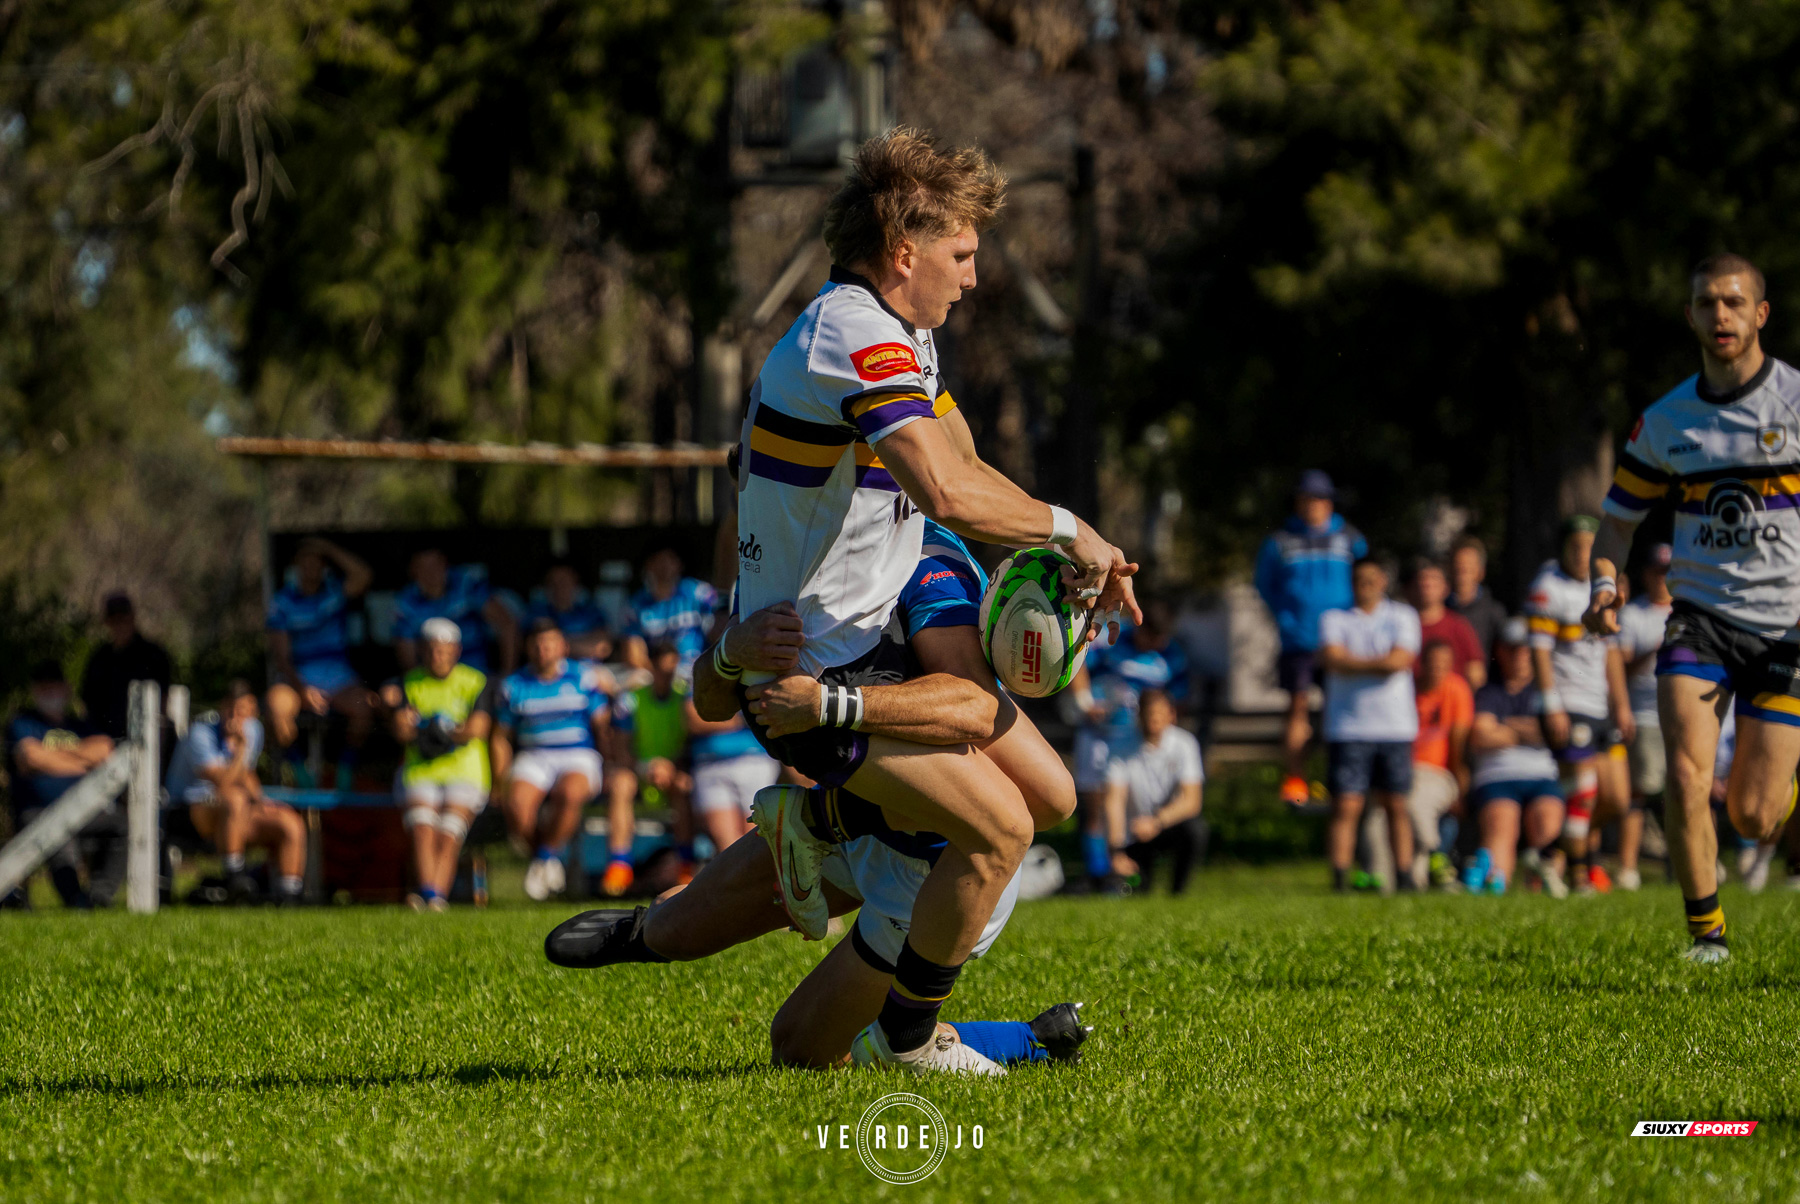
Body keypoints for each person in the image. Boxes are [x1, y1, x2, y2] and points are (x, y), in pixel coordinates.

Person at [725, 128, 1132, 1075]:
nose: (975, 277)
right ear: (905, 252)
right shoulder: (850, 332)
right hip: (812, 664)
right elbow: (943, 494)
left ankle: (828, 825)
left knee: (1053, 793)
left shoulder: (903, 332)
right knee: (1000, 829)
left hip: (870, 636)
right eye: (962, 254)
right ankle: (908, 1041)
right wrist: (1074, 532)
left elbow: (967, 465)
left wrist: (1074, 554)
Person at [546, 516, 1084, 1074]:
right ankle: (650, 927)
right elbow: (708, 700)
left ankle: (1017, 1039)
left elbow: (979, 715)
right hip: (863, 820)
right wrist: (731, 651)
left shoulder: (926, 560)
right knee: (672, 929)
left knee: (801, 1050)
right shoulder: (781, 560)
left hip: (932, 867)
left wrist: (827, 704)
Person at [1588, 253, 1800, 961]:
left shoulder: (1796, 405)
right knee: (1685, 772)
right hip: (1701, 619)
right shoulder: (1667, 421)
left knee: (1753, 812)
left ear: (1760, 314)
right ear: (1691, 316)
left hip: (1787, 629)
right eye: (1708, 303)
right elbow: (1617, 522)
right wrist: (1603, 584)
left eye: (1735, 303)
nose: (1722, 316)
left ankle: (1789, 822)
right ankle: (1706, 937)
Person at [1527, 515, 1632, 893]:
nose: (1583, 553)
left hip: (1600, 705)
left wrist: (1621, 704)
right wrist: (1551, 703)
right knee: (1584, 791)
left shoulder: (1603, 589)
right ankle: (1578, 876)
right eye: (1576, 546)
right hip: (1567, 703)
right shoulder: (1547, 586)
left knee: (1617, 799)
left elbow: (1612, 653)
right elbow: (1538, 652)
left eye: (1590, 546)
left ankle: (1549, 852)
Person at [1254, 469, 1367, 806]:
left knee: (1341, 710)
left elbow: (1367, 578)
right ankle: (1296, 781)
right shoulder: (1279, 542)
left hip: (1342, 641)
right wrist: (1287, 618)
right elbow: (1265, 585)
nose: (1313, 505)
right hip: (1299, 639)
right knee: (1298, 707)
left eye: (1319, 498)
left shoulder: (1350, 537)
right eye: (1306, 498)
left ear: (1330, 501)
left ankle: (1341, 778)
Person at [1065, 594, 1190, 890]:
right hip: (1100, 735)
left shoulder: (1171, 656)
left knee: (1125, 806)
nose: (1154, 645)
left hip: (1135, 742)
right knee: (1095, 806)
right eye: (1150, 637)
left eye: (1160, 639)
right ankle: (1098, 872)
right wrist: (1085, 702)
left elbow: (1178, 701)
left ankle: (1127, 872)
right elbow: (1079, 663)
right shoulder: (1112, 637)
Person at [492, 616, 615, 901]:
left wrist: (610, 764)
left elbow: (602, 726)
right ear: (527, 648)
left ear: (562, 647)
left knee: (569, 793)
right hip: (534, 755)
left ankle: (544, 858)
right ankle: (547, 859)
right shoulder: (513, 685)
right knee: (516, 803)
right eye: (537, 644)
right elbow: (500, 737)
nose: (543, 650)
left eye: (549, 644)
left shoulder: (584, 677)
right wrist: (499, 781)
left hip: (578, 754)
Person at [1319, 557, 1420, 891]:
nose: (1366, 585)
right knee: (1346, 805)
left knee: (1396, 804)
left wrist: (1352, 663)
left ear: (1383, 582)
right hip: (1348, 727)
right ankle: (1340, 879)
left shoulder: (1403, 616)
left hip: (1394, 727)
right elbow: (1332, 658)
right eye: (1359, 579)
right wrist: (1380, 663)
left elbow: (1400, 661)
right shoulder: (1334, 618)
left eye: (1372, 579)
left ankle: (1403, 877)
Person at [383, 617, 491, 911]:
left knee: (448, 830)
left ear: (456, 651)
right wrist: (408, 725)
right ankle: (432, 894)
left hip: (464, 770)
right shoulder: (409, 682)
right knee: (422, 826)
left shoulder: (475, 681)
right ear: (422, 650)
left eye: (444, 650)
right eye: (431, 650)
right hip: (421, 769)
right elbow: (400, 729)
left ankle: (432, 895)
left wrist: (433, 730)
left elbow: (477, 728)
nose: (437, 656)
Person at [165, 682, 307, 904]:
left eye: (243, 711)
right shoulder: (200, 734)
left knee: (288, 820)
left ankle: (289, 896)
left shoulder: (253, 730)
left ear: (253, 712)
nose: (235, 717)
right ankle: (235, 879)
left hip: (232, 811)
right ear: (222, 707)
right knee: (234, 798)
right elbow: (222, 783)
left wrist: (260, 801)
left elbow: (246, 774)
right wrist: (240, 749)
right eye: (230, 709)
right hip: (188, 810)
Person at [1463, 619, 1568, 895]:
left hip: (1543, 774)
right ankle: (1496, 890)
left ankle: (1544, 897)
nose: (1519, 656)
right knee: (1501, 825)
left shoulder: (1548, 691)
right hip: (1497, 776)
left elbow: (1557, 734)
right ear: (1500, 651)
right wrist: (1533, 729)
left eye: (1524, 650)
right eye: (1511, 650)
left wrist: (1506, 726)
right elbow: (1481, 736)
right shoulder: (1488, 692)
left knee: (1549, 825)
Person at [6, 660, 123, 907]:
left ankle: (99, 896)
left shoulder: (81, 724)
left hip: (89, 810)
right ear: (33, 690)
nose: (49, 692)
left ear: (67, 689)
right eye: (43, 687)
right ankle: (75, 900)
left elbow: (105, 750)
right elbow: (30, 757)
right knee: (57, 830)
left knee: (127, 824)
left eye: (54, 686)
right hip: (39, 810)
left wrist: (52, 759)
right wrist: (83, 762)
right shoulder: (23, 722)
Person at [264, 537, 375, 763]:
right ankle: (300, 777)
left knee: (365, 707)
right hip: (297, 678)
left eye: (316, 562)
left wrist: (328, 548)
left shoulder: (335, 591)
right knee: (276, 707)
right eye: (305, 562)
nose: (310, 568)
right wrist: (302, 690)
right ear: (295, 566)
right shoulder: (282, 602)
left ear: (324, 566)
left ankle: (344, 775)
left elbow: (364, 575)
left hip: (339, 678)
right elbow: (281, 656)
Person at [1613, 543, 1676, 891]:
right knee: (1639, 793)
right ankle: (1628, 868)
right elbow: (1620, 666)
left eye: (1668, 571)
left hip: (1683, 716)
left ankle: (1684, 865)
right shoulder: (1633, 614)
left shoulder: (1687, 611)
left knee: (1683, 791)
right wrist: (1656, 648)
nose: (1662, 578)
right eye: (1657, 571)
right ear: (1647, 574)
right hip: (1645, 714)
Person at [1103, 689, 1206, 895]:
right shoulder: (1119, 747)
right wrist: (1115, 850)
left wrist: (1157, 822)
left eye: (1159, 713)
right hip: (1134, 832)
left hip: (1168, 825)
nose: (1155, 719)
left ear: (1171, 715)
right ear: (1140, 716)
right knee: (1139, 891)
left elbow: (1192, 801)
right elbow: (1114, 800)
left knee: (1196, 830)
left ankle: (1178, 893)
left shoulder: (1184, 744)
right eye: (1150, 714)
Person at [611, 642, 694, 892]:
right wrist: (645, 767)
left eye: (672, 667)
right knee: (620, 785)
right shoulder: (631, 700)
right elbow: (621, 748)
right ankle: (618, 867)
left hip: (673, 770)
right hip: (640, 770)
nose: (667, 673)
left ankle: (685, 866)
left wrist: (670, 767)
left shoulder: (686, 699)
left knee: (683, 785)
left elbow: (691, 744)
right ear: (651, 667)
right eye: (661, 667)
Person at [393, 548, 519, 678]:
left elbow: (507, 624)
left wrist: (507, 675)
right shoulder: (406, 602)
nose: (431, 572)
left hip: (478, 677)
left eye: (435, 565)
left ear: (445, 564)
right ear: (412, 571)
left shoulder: (466, 584)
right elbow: (407, 655)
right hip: (433, 682)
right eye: (423, 567)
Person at [1409, 639, 1473, 890]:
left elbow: (1458, 745)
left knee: (1415, 803)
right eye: (1433, 664)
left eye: (1444, 665)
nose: (1438, 669)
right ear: (1421, 664)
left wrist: (1460, 782)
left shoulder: (1457, 690)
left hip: (1438, 774)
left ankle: (1436, 854)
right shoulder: (1408, 689)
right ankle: (1412, 877)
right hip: (1406, 772)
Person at [684, 694, 779, 860]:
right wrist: (744, 719)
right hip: (709, 765)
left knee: (756, 840)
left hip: (754, 761)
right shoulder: (690, 670)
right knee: (727, 847)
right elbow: (694, 720)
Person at [79, 592, 172, 741]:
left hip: (143, 739)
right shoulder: (99, 657)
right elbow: (86, 702)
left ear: (132, 617)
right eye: (114, 620)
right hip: (102, 740)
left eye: (123, 619)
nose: (119, 625)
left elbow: (164, 700)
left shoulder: (153, 655)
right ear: (107, 622)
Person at [621, 549, 719, 678]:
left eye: (670, 559)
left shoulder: (699, 592)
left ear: (679, 564)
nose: (665, 565)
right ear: (648, 564)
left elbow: (721, 630)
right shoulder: (636, 604)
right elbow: (634, 655)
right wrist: (662, 679)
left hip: (699, 670)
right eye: (659, 560)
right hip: (657, 677)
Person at [1407, 558, 1486, 687]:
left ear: (1445, 588)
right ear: (1411, 588)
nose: (1427, 584)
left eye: (1434, 580)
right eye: (1422, 579)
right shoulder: (1401, 625)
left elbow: (1476, 674)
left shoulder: (1458, 626)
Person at [528, 559, 612, 661]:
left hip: (588, 672)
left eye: (563, 581)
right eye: (552, 583)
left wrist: (557, 646)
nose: (558, 588)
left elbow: (602, 648)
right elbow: (533, 649)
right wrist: (582, 644)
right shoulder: (536, 613)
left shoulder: (591, 612)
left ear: (574, 582)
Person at [1447, 536, 1508, 666]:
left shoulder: (1494, 613)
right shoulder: (1440, 609)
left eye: (1467, 569)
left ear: (1481, 572)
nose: (1462, 573)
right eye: (1458, 567)